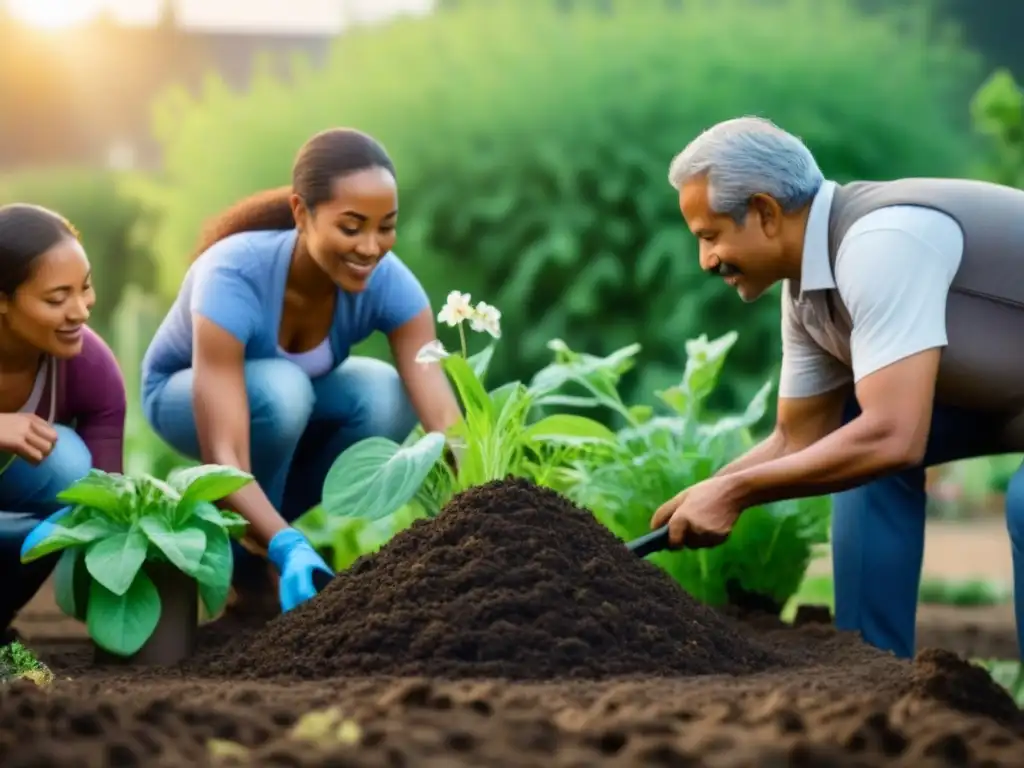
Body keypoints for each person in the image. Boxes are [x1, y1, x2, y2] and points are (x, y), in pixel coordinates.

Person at [651, 116, 1024, 659]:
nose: (707, 260)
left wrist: (735, 494)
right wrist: (706, 490)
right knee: (851, 442)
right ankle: (873, 671)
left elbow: (895, 436)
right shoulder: (807, 291)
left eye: (710, 236)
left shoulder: (881, 244)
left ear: (764, 212)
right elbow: (799, 437)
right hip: (1008, 394)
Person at [141, 127, 463, 614]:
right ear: (301, 213)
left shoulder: (390, 283)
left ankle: (244, 540)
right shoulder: (233, 274)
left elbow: (446, 421)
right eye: (351, 227)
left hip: (291, 400)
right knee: (282, 390)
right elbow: (223, 451)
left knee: (389, 399)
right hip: (184, 397)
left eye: (386, 226)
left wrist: (491, 506)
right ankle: (262, 549)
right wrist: (290, 545)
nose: (371, 248)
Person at [0, 204, 126, 643]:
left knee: (73, 469)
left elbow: (106, 489)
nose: (80, 312)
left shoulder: (88, 363)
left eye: (85, 289)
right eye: (57, 298)